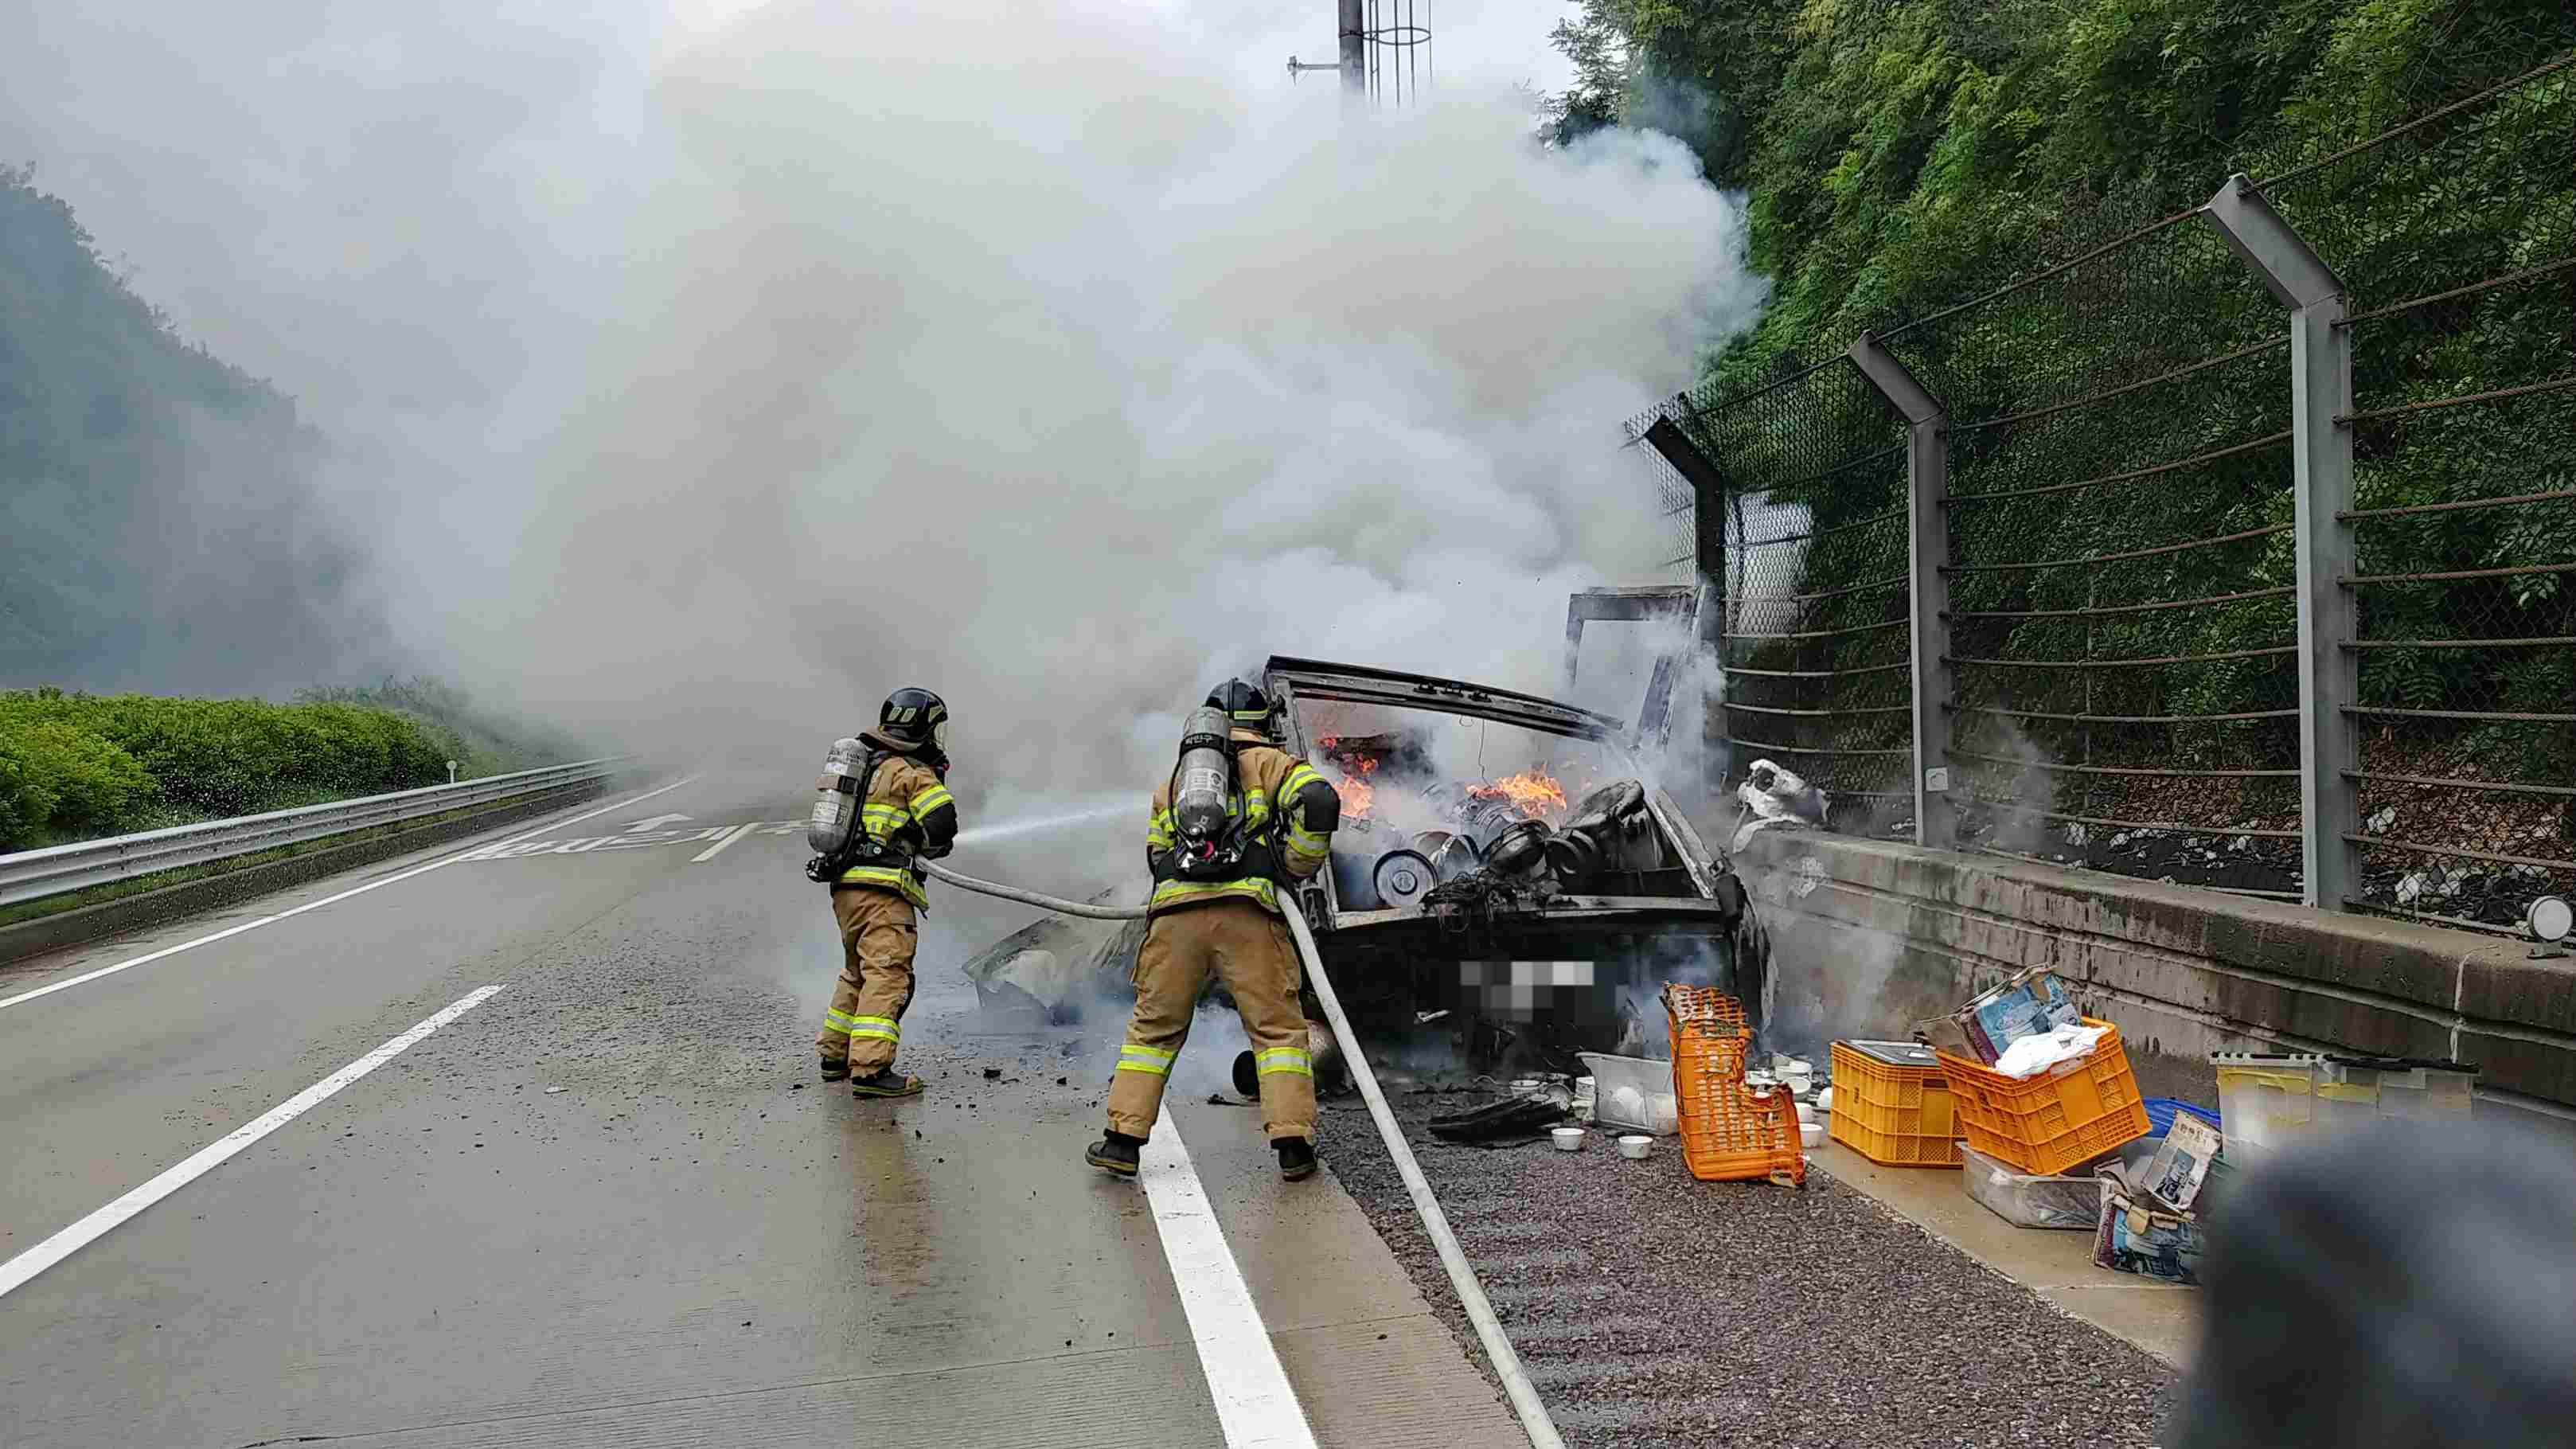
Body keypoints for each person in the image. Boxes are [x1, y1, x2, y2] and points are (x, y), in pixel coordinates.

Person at [1087, 679, 1340, 1181]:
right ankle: (1293, 1147)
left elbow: (1156, 855)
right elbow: (1319, 801)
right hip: (1247, 915)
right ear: (1260, 723)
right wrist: (1294, 864)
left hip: (1175, 919)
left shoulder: (1178, 779)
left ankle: (1122, 1142)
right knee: (1277, 1033)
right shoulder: (1273, 764)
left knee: (1152, 1033)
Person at [812, 687, 958, 1099]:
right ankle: (871, 1070)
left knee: (858, 971)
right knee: (888, 973)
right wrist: (921, 836)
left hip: (847, 889)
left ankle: (835, 1055)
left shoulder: (867, 766)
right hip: (884, 893)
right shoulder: (910, 772)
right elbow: (942, 825)